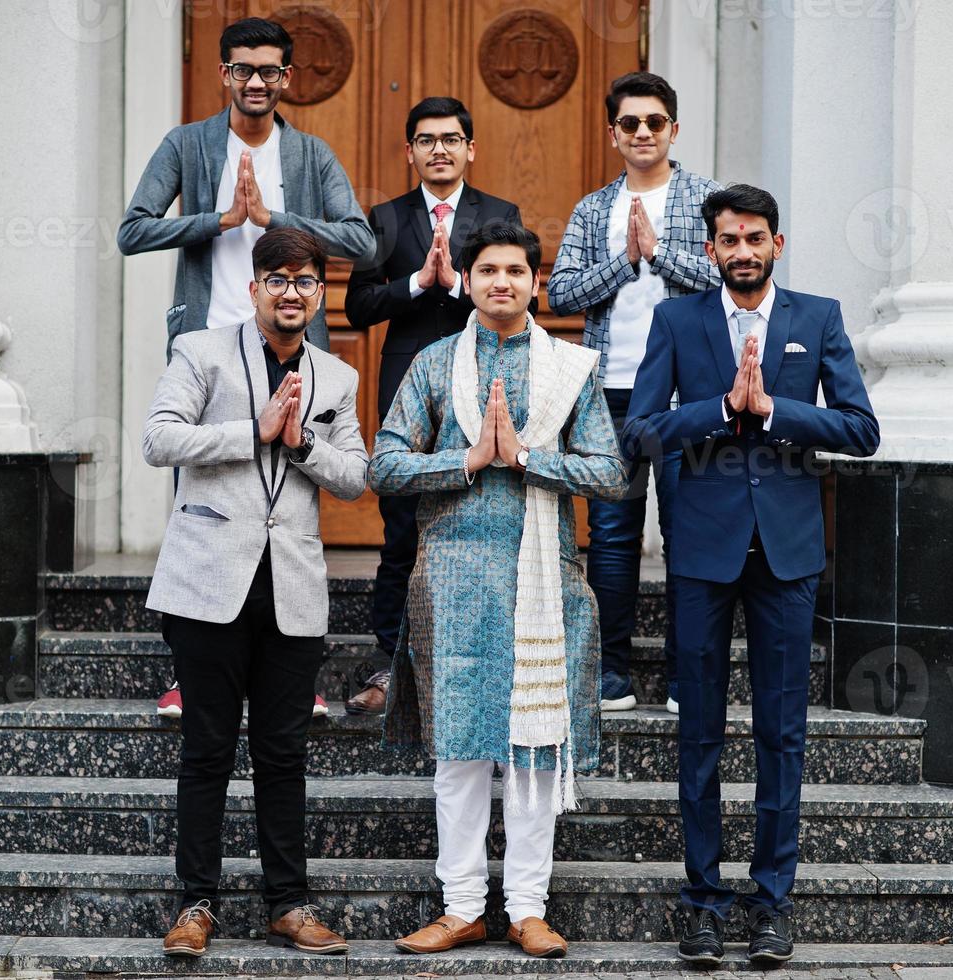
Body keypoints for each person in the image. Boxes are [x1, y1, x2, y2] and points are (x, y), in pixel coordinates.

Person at [622, 185, 879, 967]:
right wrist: (715, 410)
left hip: (788, 554)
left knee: (781, 733)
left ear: (777, 243)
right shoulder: (677, 320)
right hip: (701, 554)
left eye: (754, 238)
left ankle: (772, 901)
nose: (741, 250)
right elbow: (637, 433)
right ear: (708, 250)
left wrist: (772, 413)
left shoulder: (817, 317)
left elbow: (861, 429)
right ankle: (700, 900)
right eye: (727, 239)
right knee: (696, 732)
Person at [371, 223, 628, 959]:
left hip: (543, 580)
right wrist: (466, 459)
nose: (501, 282)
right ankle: (458, 907)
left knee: (533, 753)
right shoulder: (432, 364)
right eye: (487, 270)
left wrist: (525, 459)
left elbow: (609, 474)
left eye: (515, 270)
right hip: (451, 581)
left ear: (535, 282)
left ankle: (525, 908)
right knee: (457, 752)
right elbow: (384, 466)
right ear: (468, 280)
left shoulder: (570, 370)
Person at [116, 16, 373, 717]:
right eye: (241, 69)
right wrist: (219, 221)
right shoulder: (188, 144)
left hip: (290, 346)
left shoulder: (312, 154)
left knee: (294, 495)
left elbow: (361, 240)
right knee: (197, 503)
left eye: (268, 71)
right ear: (223, 75)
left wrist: (276, 219)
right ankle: (188, 676)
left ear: (286, 79)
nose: (255, 81)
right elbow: (133, 229)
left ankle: (295, 674)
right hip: (208, 346)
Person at [144, 228, 368, 959]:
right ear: (255, 288)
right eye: (278, 279)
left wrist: (301, 443)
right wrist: (254, 430)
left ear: (319, 293)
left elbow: (354, 476)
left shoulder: (337, 378)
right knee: (206, 750)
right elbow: (159, 440)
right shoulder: (201, 352)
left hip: (292, 588)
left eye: (306, 281)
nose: (292, 293)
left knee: (283, 754)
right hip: (207, 581)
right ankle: (195, 905)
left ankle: (289, 904)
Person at [343, 96, 528, 715]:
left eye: (451, 139)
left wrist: (454, 284)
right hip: (408, 382)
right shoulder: (387, 218)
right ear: (410, 151)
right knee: (401, 526)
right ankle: (387, 663)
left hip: (483, 379)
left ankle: (479, 658)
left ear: (470, 148)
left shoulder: (499, 213)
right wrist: (419, 282)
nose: (439, 149)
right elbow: (358, 306)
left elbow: (513, 293)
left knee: (479, 517)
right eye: (426, 140)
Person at [548, 72, 721, 717]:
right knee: (614, 539)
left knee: (688, 538)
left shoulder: (708, 199)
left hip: (688, 398)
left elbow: (731, 276)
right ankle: (611, 675)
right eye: (630, 124)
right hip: (609, 393)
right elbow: (559, 293)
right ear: (613, 132)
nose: (643, 133)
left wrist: (662, 256)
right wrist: (624, 262)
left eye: (655, 122)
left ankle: (685, 679)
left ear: (673, 129)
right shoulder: (595, 208)